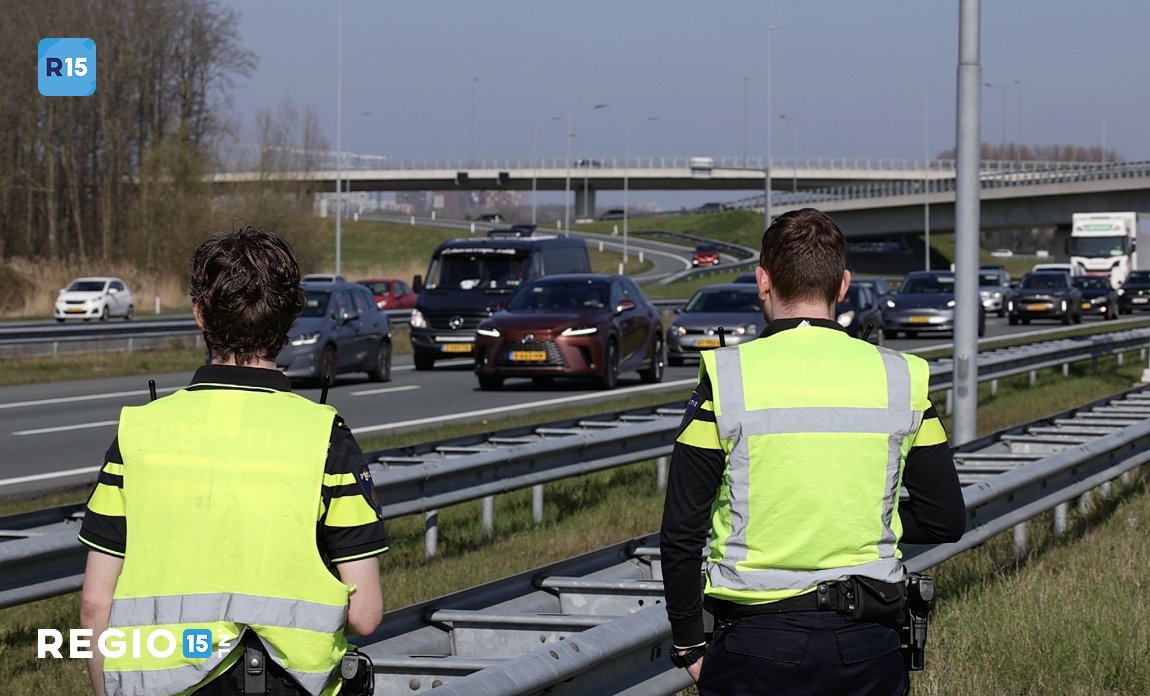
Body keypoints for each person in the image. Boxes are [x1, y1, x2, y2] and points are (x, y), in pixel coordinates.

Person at [660, 208, 966, 696]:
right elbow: (947, 519)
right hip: (869, 645)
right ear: (842, 285)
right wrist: (861, 513)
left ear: (763, 281)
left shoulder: (728, 378)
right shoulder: (902, 376)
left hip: (753, 647)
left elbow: (680, 532)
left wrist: (689, 645)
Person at [78, 227, 388, 696]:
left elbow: (94, 605)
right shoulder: (326, 439)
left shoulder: (138, 434)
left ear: (200, 315)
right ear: (289, 321)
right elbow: (365, 616)